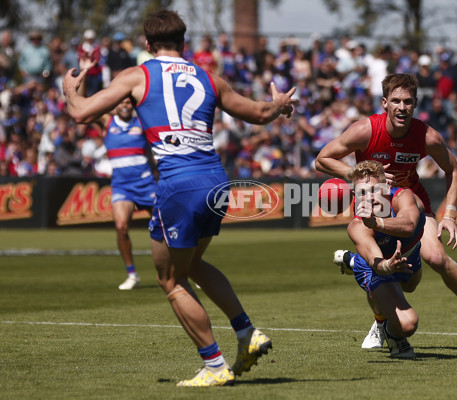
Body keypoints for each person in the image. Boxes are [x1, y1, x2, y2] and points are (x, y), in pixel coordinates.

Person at [63, 9, 297, 387]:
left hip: (178, 184)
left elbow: (80, 114)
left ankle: (215, 365)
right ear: (183, 43)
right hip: (217, 182)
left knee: (170, 279)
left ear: (147, 45)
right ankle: (246, 332)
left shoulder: (137, 75)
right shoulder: (208, 77)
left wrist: (69, 89)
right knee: (196, 264)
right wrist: (280, 105)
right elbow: (259, 112)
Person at [315, 73, 457, 349]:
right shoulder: (365, 130)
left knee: (435, 258)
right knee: (379, 268)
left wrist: (449, 214)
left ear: (415, 105)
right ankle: (380, 320)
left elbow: (453, 169)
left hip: (412, 203)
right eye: (396, 101)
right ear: (385, 103)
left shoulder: (427, 136)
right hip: (372, 205)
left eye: (408, 102)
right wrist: (359, 172)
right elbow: (322, 159)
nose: (402, 107)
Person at [334, 160, 426, 358]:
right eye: (362, 193)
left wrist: (377, 222)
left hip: (409, 254)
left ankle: (350, 261)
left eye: (375, 190)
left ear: (388, 187)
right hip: (376, 267)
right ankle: (392, 335)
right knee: (408, 324)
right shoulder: (357, 226)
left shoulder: (404, 197)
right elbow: (378, 264)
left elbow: (409, 225)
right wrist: (388, 266)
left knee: (410, 286)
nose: (369, 198)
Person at [103, 97, 156, 290]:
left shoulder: (141, 121)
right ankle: (132, 275)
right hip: (121, 186)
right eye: (121, 102)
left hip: (146, 183)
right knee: (121, 227)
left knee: (167, 228)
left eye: (128, 102)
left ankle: (190, 269)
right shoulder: (107, 122)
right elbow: (83, 103)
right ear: (115, 105)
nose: (125, 106)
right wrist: (83, 75)